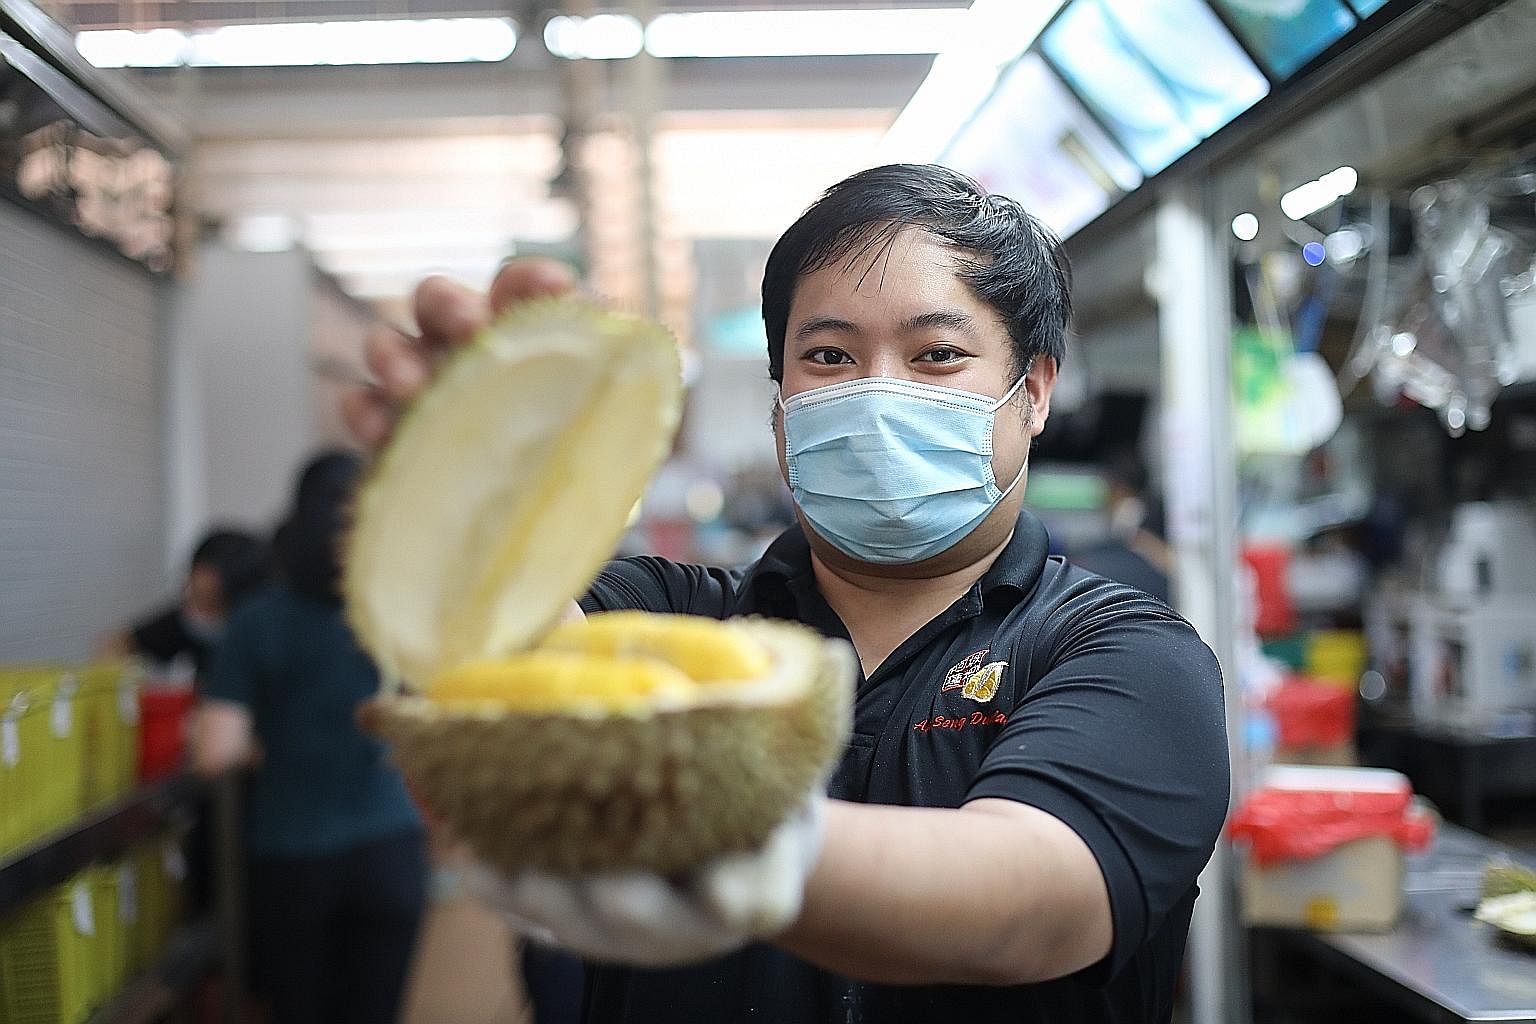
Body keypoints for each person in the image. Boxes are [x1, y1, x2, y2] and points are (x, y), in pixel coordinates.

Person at [348, 164, 1229, 1024]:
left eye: (938, 355)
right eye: (831, 355)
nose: (879, 393)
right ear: (781, 404)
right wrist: (463, 513)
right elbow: (508, 659)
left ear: (1031, 392)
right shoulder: (663, 619)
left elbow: (1028, 897)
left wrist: (739, 855)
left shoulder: (1129, 656)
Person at [193, 451, 426, 1024]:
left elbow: (214, 751)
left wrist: (265, 745)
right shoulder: (396, 616)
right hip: (391, 850)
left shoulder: (255, 622)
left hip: (293, 860)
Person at [101, 528, 269, 680]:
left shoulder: (260, 635)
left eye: (212, 600)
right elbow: (118, 644)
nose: (198, 606)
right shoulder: (180, 622)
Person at [1071, 449, 1173, 604]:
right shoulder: (1145, 516)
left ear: (1118, 488)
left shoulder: (1135, 523)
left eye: (1105, 487)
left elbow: (1169, 564)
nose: (1102, 496)